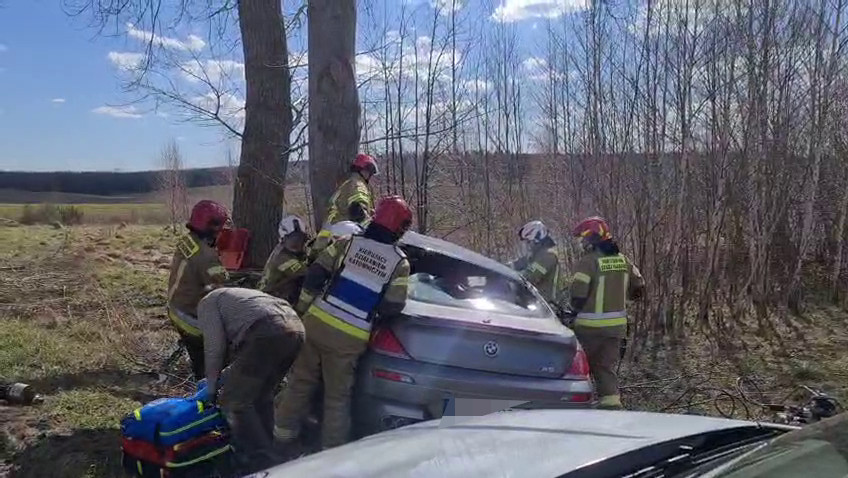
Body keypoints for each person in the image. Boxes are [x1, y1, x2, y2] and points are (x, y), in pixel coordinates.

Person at [274, 196, 412, 450]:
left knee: (300, 383)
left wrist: (302, 309)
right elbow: (394, 305)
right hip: (350, 338)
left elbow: (315, 274)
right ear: (401, 229)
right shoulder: (399, 262)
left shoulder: (347, 243)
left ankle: (282, 438)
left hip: (316, 324)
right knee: (337, 399)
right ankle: (332, 455)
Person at [196, 287, 305, 473]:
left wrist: (212, 390)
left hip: (267, 332)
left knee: (235, 402)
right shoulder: (236, 297)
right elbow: (244, 362)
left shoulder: (206, 304)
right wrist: (222, 379)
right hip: (295, 328)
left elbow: (214, 350)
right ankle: (272, 448)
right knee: (261, 396)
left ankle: (263, 461)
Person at [569, 216, 644, 410]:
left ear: (591, 239)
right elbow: (639, 288)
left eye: (583, 239)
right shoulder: (624, 260)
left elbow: (578, 295)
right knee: (605, 369)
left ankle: (575, 410)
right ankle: (611, 408)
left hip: (588, 329)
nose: (581, 243)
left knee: (579, 369)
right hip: (616, 329)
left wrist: (572, 312)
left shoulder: (588, 262)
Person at [166, 200, 231, 380]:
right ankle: (208, 393)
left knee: (198, 359)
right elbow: (222, 293)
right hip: (191, 318)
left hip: (175, 307)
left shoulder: (187, 241)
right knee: (214, 360)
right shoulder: (207, 257)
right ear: (213, 228)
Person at [311, 153, 378, 259]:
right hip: (343, 232)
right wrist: (374, 231)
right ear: (363, 170)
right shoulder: (358, 185)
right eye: (369, 172)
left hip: (329, 234)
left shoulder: (348, 184)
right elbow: (357, 210)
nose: (370, 175)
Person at [258, 214, 311, 305]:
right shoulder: (282, 258)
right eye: (293, 238)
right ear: (284, 238)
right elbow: (305, 273)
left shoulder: (293, 253)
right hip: (270, 301)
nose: (297, 242)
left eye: (300, 238)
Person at [513, 220, 560, 304]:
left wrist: (511, 276)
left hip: (544, 306)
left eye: (528, 241)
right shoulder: (535, 255)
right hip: (532, 302)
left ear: (537, 239)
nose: (527, 245)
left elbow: (530, 277)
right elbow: (516, 264)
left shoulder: (548, 255)